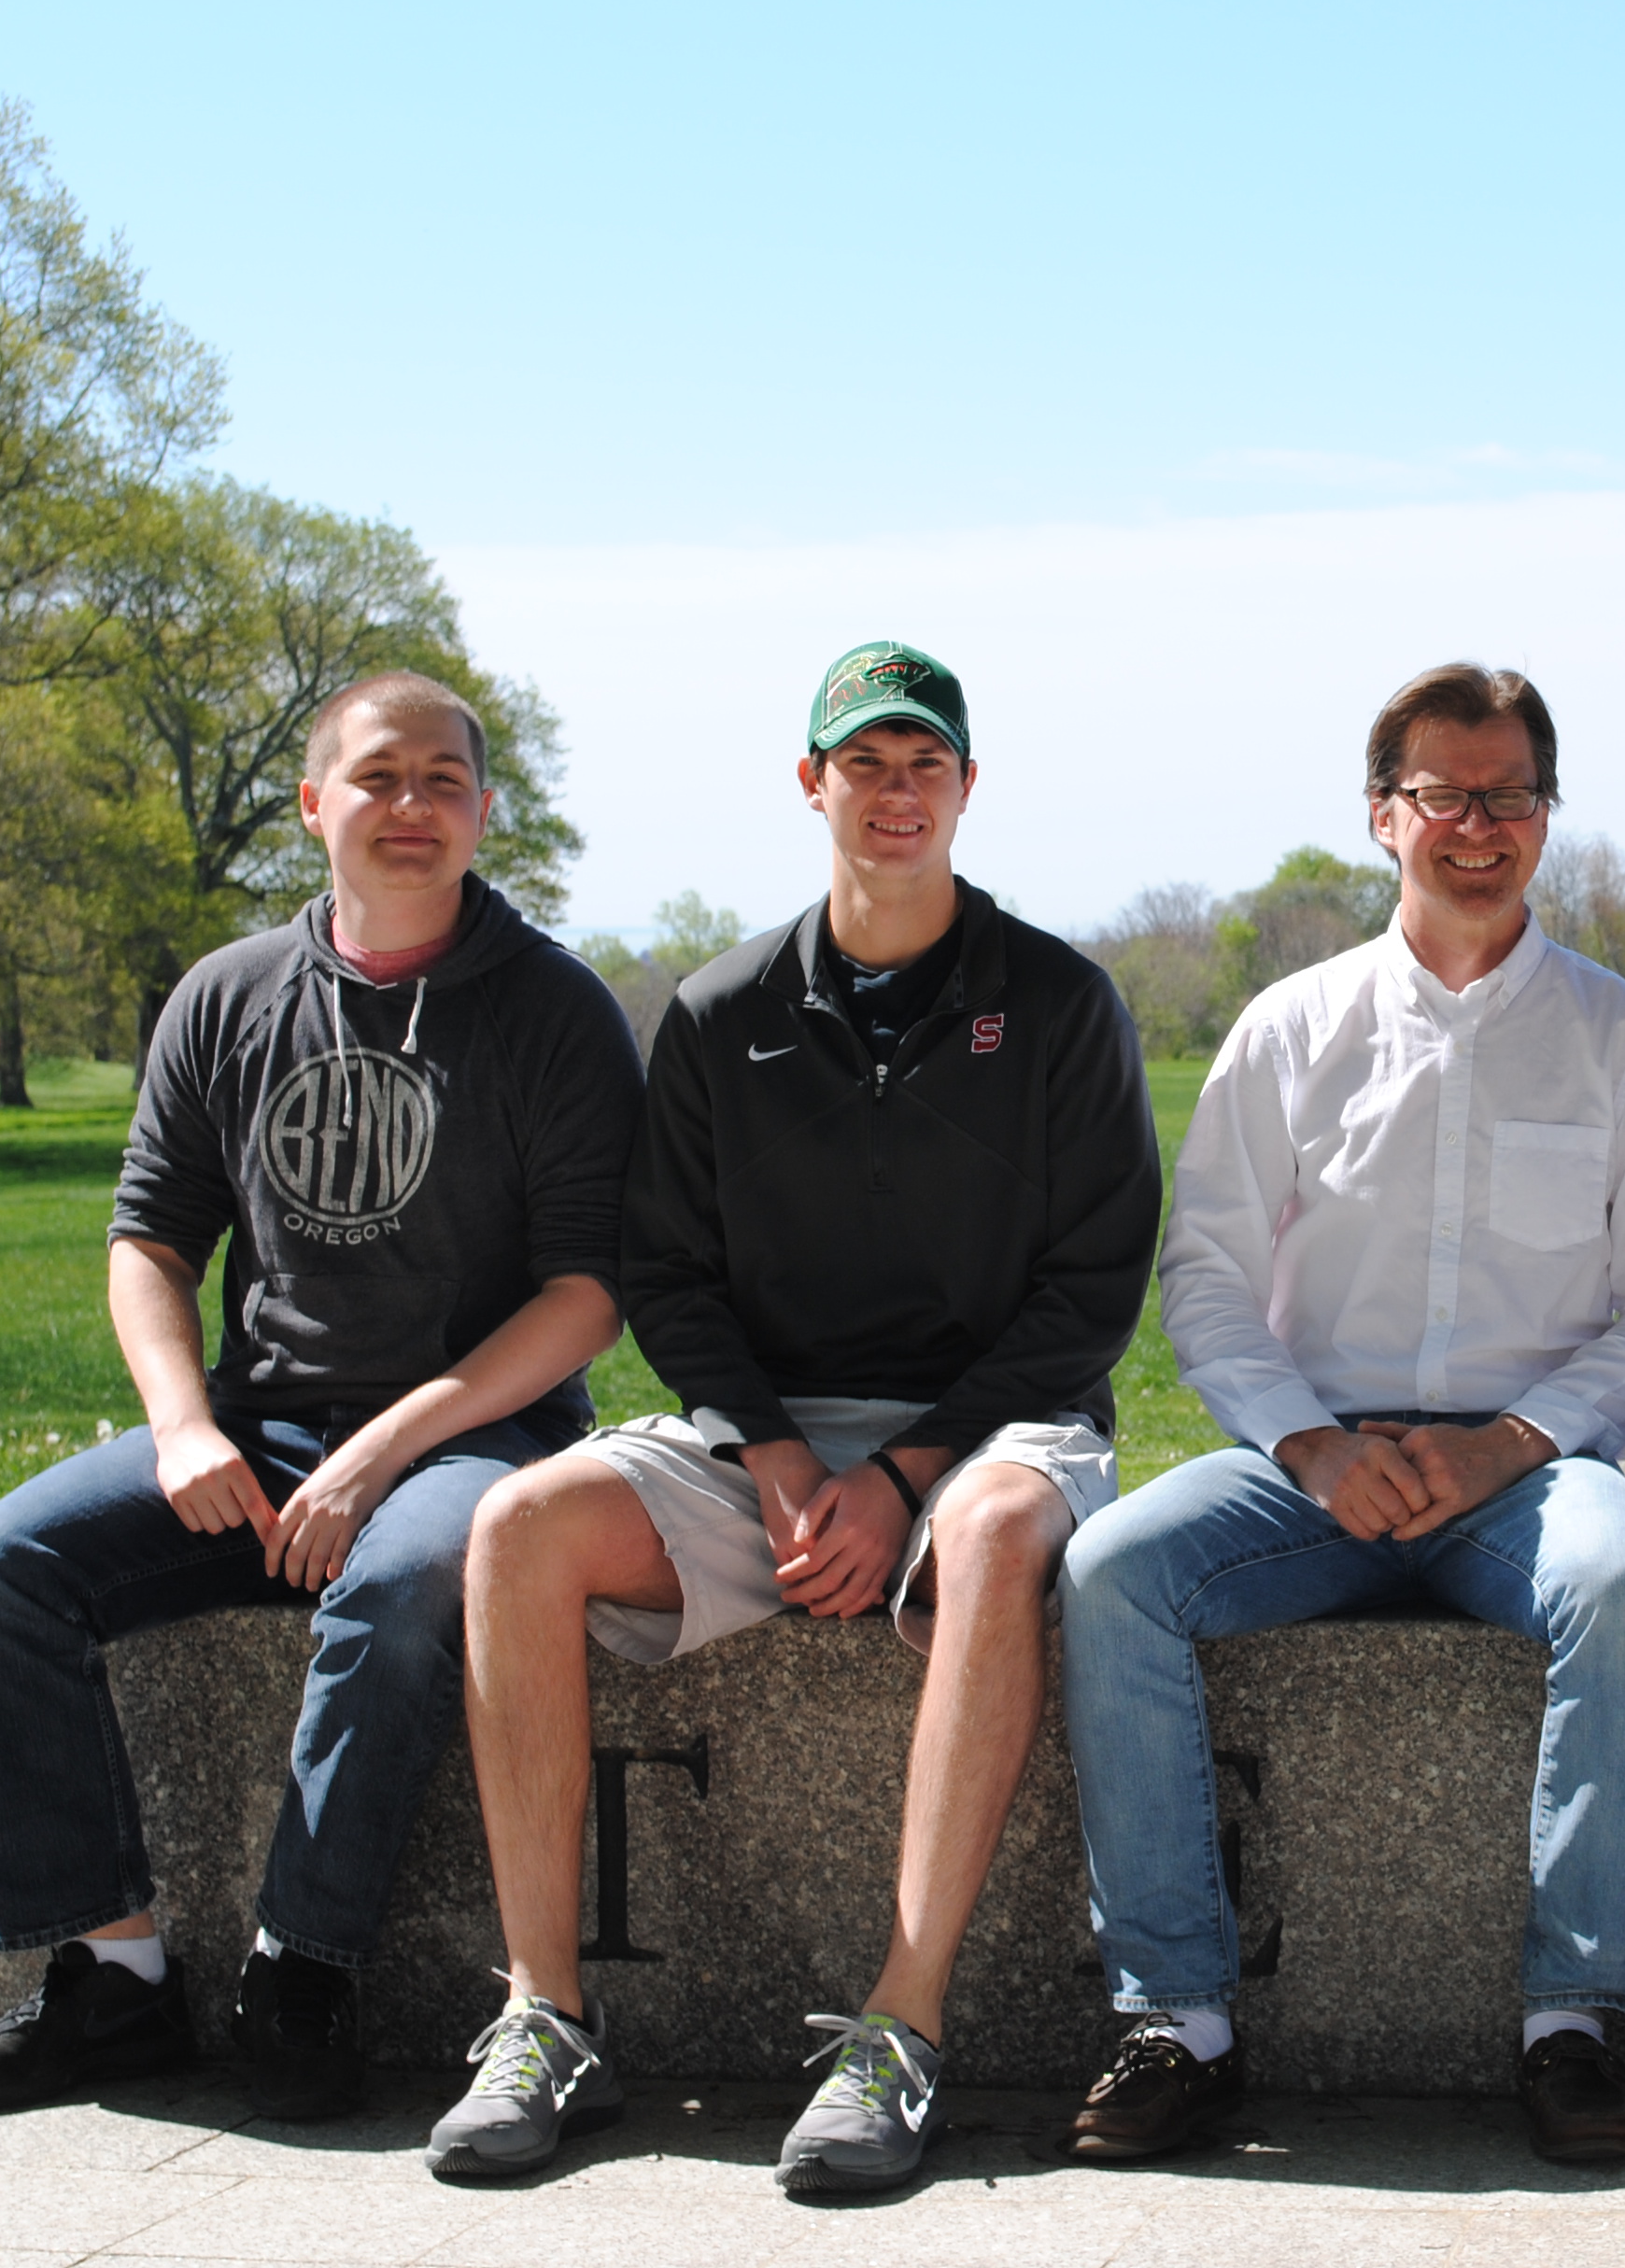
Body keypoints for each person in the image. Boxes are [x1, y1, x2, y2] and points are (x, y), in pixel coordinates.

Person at [421, 644, 1162, 2192]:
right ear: (809, 780)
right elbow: (668, 1279)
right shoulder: (717, 1011)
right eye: (866, 764)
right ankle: (544, 2015)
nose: (897, 795)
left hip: (994, 1432)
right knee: (515, 1524)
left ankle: (899, 2031)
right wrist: (767, 1451)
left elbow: (1089, 1296)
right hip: (766, 1439)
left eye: (926, 765)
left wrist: (903, 1471)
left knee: (1008, 1522)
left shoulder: (1059, 1001)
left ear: (968, 787)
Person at [0, 672, 643, 2118]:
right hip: (258, 1429)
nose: (413, 806)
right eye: (379, 777)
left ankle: (297, 1972)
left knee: (412, 1575)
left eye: (446, 780)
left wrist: (383, 1450)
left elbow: (587, 1296)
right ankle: (114, 1983)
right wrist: (185, 1427)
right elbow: (150, 1241)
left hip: (476, 1433)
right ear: (316, 805)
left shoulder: (555, 1010)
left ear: (483, 813)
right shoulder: (230, 992)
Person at [1059, 663, 1625, 2166]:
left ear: (1547, 815)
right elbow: (1207, 1279)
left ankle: (1577, 2020)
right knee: (1111, 1572)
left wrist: (1510, 1441)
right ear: (1380, 815)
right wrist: (1313, 1445)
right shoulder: (1290, 1029)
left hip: (1531, 1469)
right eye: (1443, 796)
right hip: (1311, 1464)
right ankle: (1180, 2023)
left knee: (1622, 1576)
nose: (1478, 827)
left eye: (1511, 796)